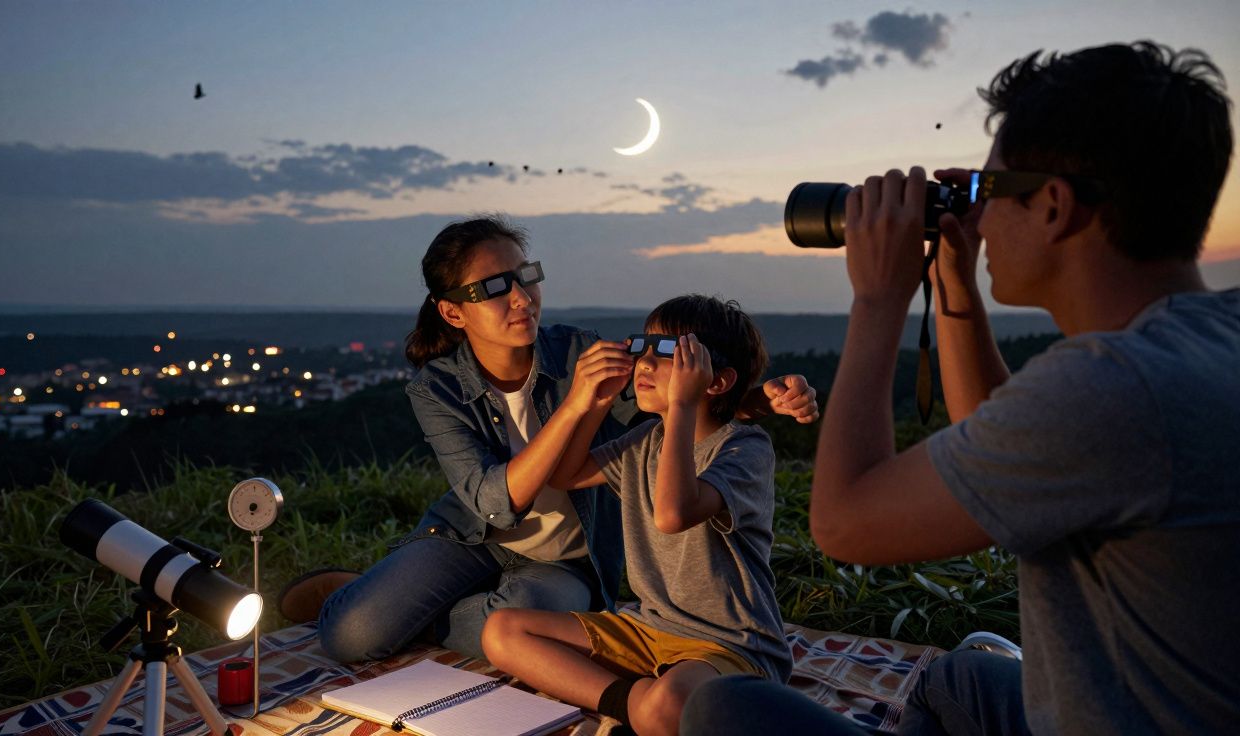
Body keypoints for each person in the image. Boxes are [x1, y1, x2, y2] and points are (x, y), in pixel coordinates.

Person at [682, 41, 1239, 734]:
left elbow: (844, 524)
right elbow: (997, 426)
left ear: (1054, 207)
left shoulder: (1112, 388)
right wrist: (954, 278)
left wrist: (878, 299)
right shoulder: (1204, 336)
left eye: (992, 190)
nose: (981, 213)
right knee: (958, 676)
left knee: (723, 707)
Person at [283, 217, 820, 663]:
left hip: (565, 559)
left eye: (525, 277)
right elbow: (494, 503)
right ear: (452, 311)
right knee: (351, 637)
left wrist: (760, 399)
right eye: (495, 287)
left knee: (515, 628)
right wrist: (577, 403)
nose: (521, 298)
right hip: (469, 537)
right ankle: (370, 597)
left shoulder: (580, 351)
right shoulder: (437, 388)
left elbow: (673, 397)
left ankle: (409, 611)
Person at [482, 295, 791, 736]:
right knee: (502, 631)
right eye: (642, 347)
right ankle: (628, 702)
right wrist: (595, 403)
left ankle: (648, 704)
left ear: (716, 381)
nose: (644, 363)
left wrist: (682, 407)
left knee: (668, 704)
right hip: (649, 629)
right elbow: (567, 474)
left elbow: (672, 514)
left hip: (729, 644)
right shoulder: (647, 439)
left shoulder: (744, 449)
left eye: (667, 353)